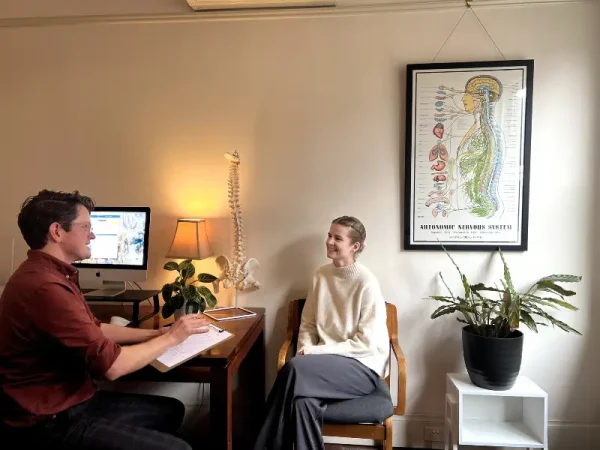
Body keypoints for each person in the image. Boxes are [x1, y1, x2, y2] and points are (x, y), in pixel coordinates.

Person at [0, 190, 209, 450]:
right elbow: (113, 367)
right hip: (47, 422)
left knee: (170, 411)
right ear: (57, 231)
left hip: (75, 401)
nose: (92, 234)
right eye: (85, 226)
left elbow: (95, 328)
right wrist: (172, 337)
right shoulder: (45, 288)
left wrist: (155, 334)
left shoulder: (50, 274)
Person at [253, 216, 390, 450]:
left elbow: (366, 344)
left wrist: (315, 352)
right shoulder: (321, 275)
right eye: (329, 235)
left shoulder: (367, 283)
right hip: (323, 366)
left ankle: (264, 446)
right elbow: (307, 324)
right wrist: (305, 351)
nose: (330, 242)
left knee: (294, 368)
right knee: (303, 403)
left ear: (354, 246)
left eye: (338, 238)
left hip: (360, 367)